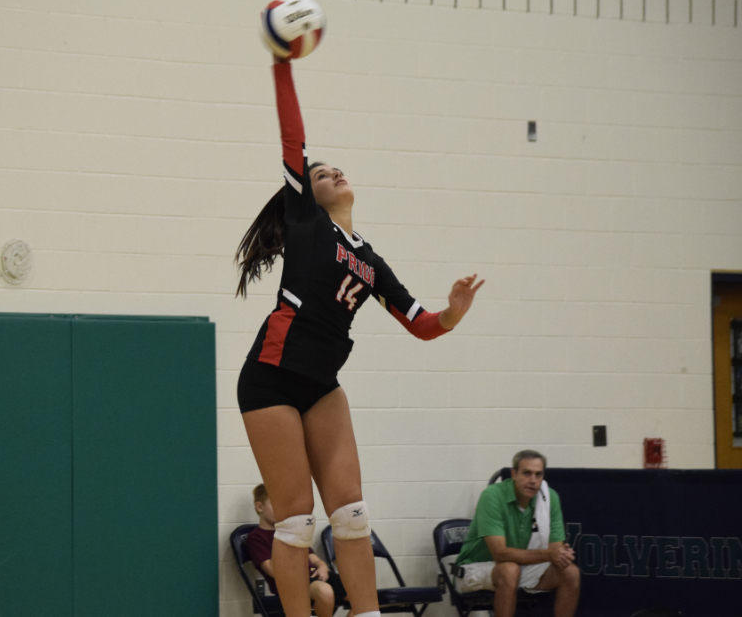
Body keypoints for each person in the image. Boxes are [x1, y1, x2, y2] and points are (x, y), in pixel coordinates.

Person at [234, 54, 484, 617]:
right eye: (320, 174)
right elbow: (293, 134)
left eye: (336, 170)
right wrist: (282, 65)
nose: (332, 174)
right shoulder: (305, 221)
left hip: (322, 383)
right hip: (272, 377)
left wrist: (454, 311)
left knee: (351, 515)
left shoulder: (369, 260)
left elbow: (421, 324)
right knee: (296, 521)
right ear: (308, 193)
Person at [454, 450, 581, 617]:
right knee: (509, 569)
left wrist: (561, 555)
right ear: (514, 474)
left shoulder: (549, 497)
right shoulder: (492, 495)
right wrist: (551, 554)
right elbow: (500, 554)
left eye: (538, 474)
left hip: (519, 567)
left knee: (570, 572)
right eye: (527, 473)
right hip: (473, 568)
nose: (533, 481)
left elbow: (555, 552)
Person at [246, 484, 347, 617]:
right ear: (260, 507)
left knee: (361, 594)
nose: (282, 509)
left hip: (313, 576)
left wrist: (322, 567)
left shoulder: (292, 531)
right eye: (275, 504)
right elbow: (272, 570)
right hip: (290, 583)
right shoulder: (256, 538)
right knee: (325, 591)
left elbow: (313, 558)